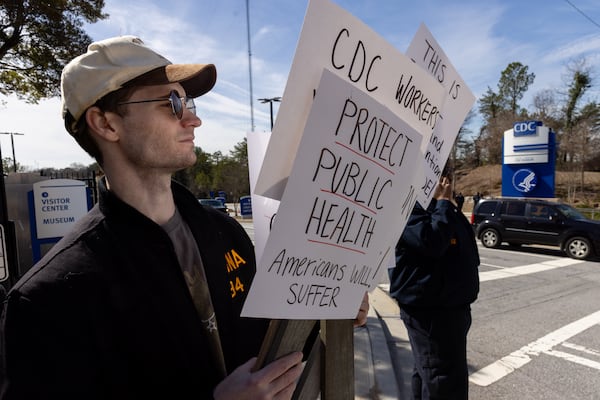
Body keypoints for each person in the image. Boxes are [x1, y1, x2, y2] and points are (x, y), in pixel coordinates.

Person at [0, 36, 368, 400]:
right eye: (172, 102)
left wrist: (327, 305)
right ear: (106, 124)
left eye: (187, 100)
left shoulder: (226, 234)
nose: (194, 118)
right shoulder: (50, 297)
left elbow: (269, 350)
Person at [388, 176, 479, 399]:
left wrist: (446, 204)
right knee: (444, 383)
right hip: (432, 311)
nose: (444, 180)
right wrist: (444, 203)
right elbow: (431, 241)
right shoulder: (407, 201)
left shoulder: (436, 203)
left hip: (450, 306)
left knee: (427, 373)